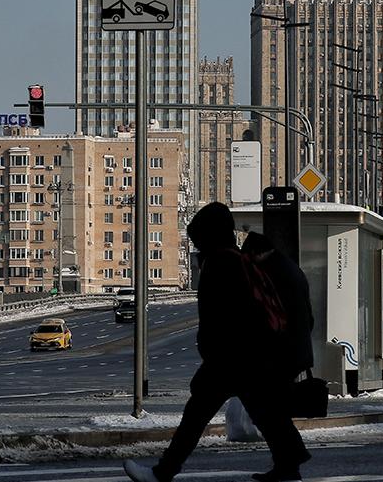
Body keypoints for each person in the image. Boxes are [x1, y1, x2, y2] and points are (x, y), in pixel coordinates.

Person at [123, 203, 300, 482]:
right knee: (264, 412)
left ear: (209, 234)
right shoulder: (236, 258)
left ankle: (163, 472)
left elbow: (221, 314)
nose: (196, 244)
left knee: (198, 415)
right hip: (247, 354)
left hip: (232, 356)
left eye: (198, 237)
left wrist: (211, 353)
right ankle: (289, 465)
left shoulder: (222, 262)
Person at [241, 231, 314, 482]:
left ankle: (293, 458)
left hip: (280, 354)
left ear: (257, 253)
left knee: (269, 412)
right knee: (274, 411)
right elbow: (308, 317)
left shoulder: (272, 274)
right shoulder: (288, 268)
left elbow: (272, 317)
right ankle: (288, 465)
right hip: (292, 351)